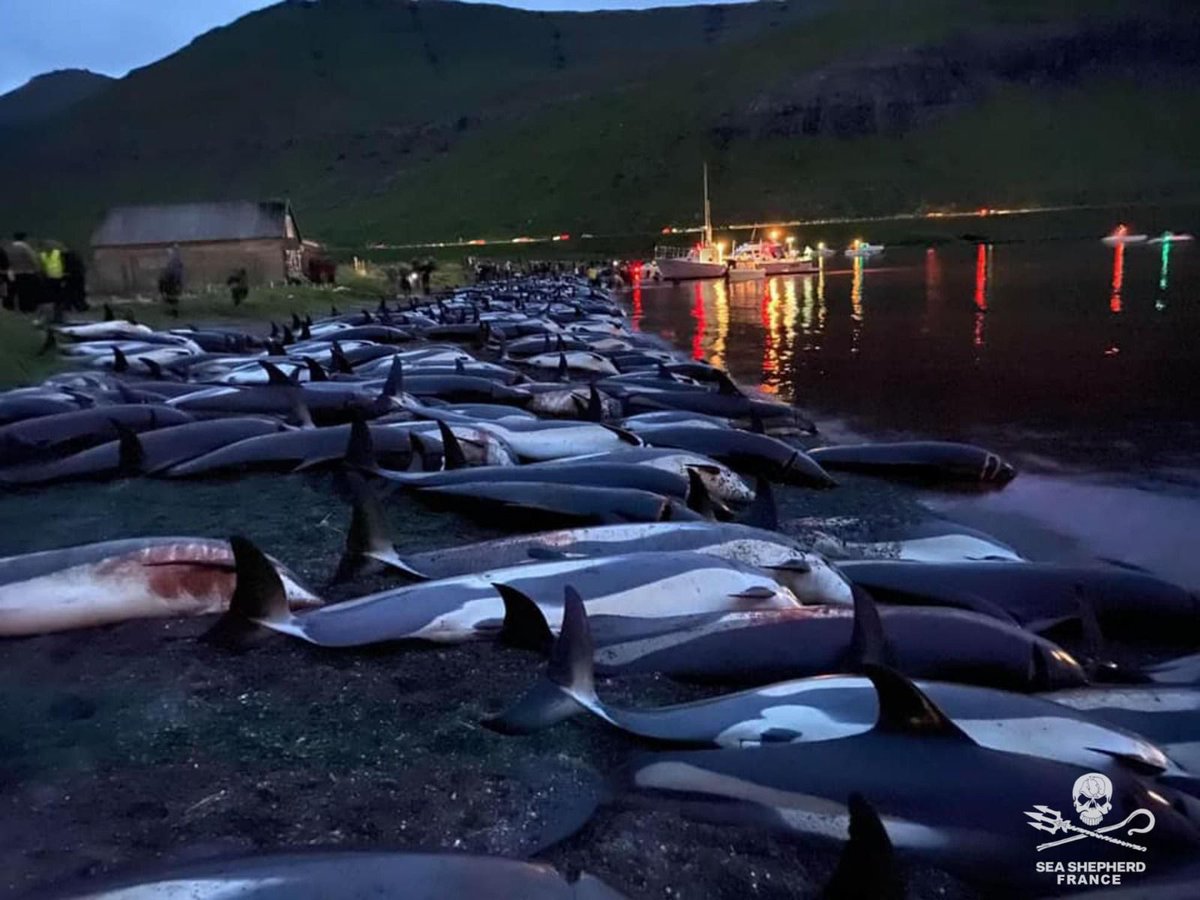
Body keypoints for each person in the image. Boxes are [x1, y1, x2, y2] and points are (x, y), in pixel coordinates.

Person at [7, 233, 42, 312]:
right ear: (24, 238)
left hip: (15, 273)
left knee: (20, 292)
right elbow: (33, 258)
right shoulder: (25, 247)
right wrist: (38, 269)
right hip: (27, 272)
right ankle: (29, 307)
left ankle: (22, 307)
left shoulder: (10, 248)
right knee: (28, 291)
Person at [158, 244, 183, 315]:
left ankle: (174, 310)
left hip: (173, 279)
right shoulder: (172, 260)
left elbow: (177, 270)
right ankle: (172, 309)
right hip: (171, 279)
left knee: (173, 295)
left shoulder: (175, 260)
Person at [40, 243, 65, 312]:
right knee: (54, 294)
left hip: (56, 277)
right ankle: (56, 307)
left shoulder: (56, 253)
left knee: (57, 294)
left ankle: (58, 306)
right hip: (51, 277)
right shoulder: (43, 255)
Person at [61, 246, 88, 312]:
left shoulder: (67, 257)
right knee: (78, 293)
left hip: (72, 277)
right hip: (78, 276)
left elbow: (67, 269)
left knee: (70, 293)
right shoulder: (75, 257)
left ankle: (70, 306)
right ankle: (80, 306)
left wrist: (65, 275)